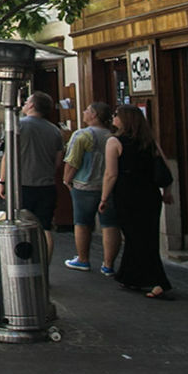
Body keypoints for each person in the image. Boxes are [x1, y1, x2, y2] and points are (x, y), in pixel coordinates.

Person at [100, 102, 174, 299]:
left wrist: (104, 197)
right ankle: (131, 276)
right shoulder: (149, 141)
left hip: (128, 194)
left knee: (135, 237)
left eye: (116, 114)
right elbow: (165, 167)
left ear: (124, 119)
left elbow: (110, 174)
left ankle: (158, 281)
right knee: (145, 236)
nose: (113, 117)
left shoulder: (114, 142)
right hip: (150, 194)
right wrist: (167, 191)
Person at [62, 101, 115, 274]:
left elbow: (73, 161)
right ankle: (108, 264)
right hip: (109, 186)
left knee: (82, 223)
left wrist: (66, 180)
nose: (84, 112)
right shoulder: (112, 135)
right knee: (110, 224)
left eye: (87, 110)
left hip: (84, 185)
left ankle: (83, 259)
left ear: (94, 115)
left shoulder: (82, 135)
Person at [9, 91, 65, 235]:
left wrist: (3, 181)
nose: (24, 104)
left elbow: (7, 156)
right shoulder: (55, 130)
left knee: (21, 227)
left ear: (32, 105)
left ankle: (26, 257)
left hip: (22, 184)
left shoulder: (17, 126)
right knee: (45, 227)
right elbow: (58, 162)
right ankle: (46, 257)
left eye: (27, 101)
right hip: (47, 185)